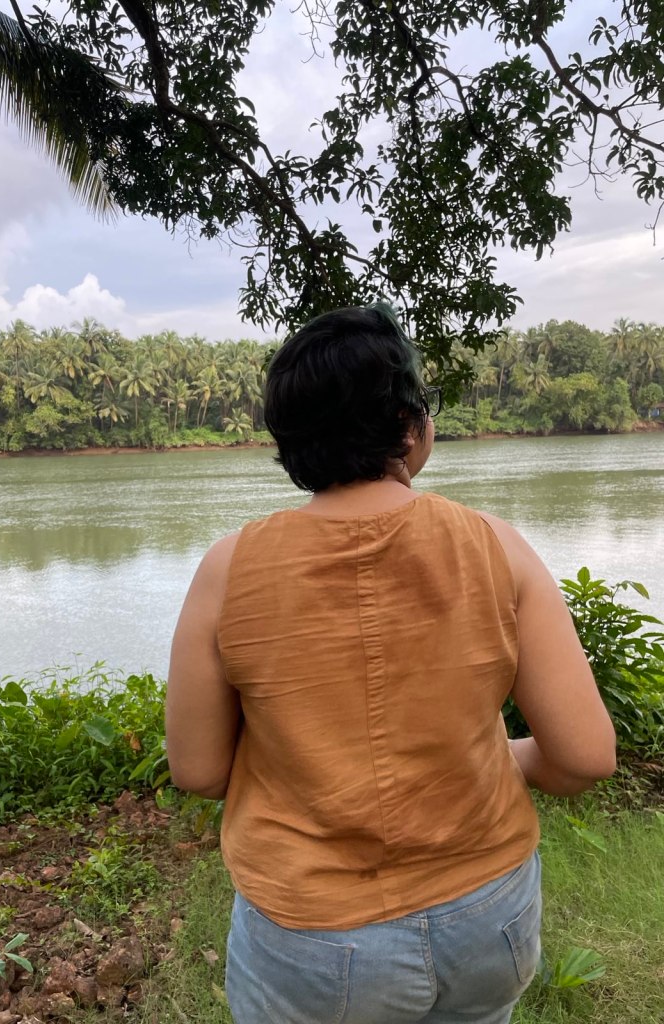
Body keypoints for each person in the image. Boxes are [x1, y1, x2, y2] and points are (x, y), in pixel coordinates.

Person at [165, 304, 616, 1024]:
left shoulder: (230, 568)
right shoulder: (496, 545)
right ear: (412, 427)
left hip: (313, 937)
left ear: (289, 444)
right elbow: (585, 757)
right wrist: (507, 757)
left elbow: (198, 770)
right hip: (488, 914)